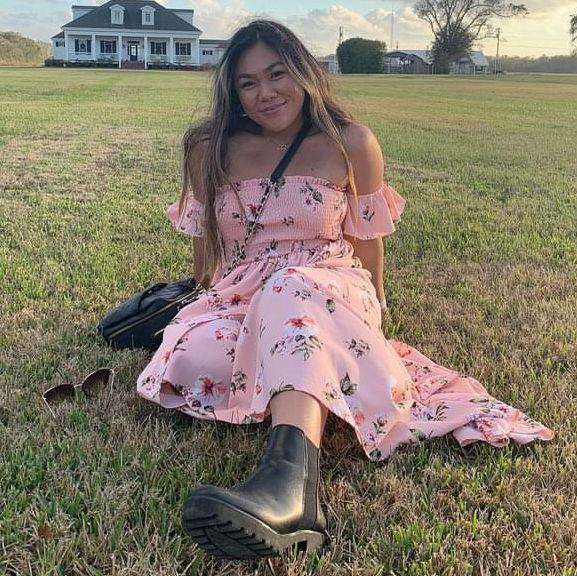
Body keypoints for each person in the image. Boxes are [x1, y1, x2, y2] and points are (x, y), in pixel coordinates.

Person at [136, 19, 554, 562]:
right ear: (232, 91)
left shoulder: (350, 143)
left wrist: (375, 309)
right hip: (242, 291)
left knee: (290, 291)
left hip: (326, 280)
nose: (266, 93)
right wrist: (200, 301)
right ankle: (314, 378)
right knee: (194, 356)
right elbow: (205, 243)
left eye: (278, 74)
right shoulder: (207, 146)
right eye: (248, 82)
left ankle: (290, 485)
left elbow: (368, 240)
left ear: (304, 73)